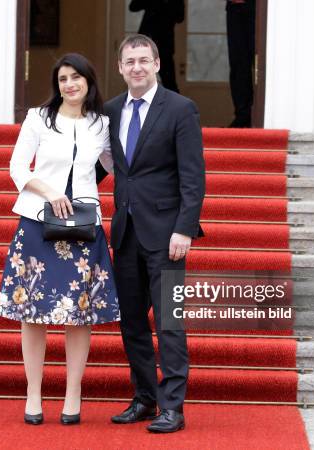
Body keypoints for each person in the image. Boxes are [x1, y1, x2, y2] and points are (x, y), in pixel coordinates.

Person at [0, 53, 119, 426]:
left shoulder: (102, 124)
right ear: (57, 84)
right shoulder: (38, 118)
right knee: (32, 312)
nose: (70, 84)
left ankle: (73, 392)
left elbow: (119, 167)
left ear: (89, 81)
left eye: (76, 77)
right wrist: (49, 192)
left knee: (78, 313)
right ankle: (34, 391)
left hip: (83, 228)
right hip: (36, 222)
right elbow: (17, 167)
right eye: (63, 78)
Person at [103, 34, 205, 433]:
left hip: (167, 237)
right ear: (120, 68)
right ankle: (146, 398)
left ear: (158, 64)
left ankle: (173, 407)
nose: (137, 68)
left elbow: (193, 176)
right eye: (130, 62)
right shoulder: (110, 111)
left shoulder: (180, 109)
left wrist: (184, 229)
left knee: (169, 322)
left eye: (144, 60)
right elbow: (105, 167)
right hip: (126, 233)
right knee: (131, 322)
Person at [129, 0, 185, 93]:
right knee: (141, 81)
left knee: (169, 84)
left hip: (162, 43)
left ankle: (172, 105)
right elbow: (133, 6)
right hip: (149, 42)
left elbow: (180, 17)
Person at [226, 0, 256, 127]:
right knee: (238, 65)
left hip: (257, 8)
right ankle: (243, 114)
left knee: (261, 62)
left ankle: (255, 115)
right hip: (235, 8)